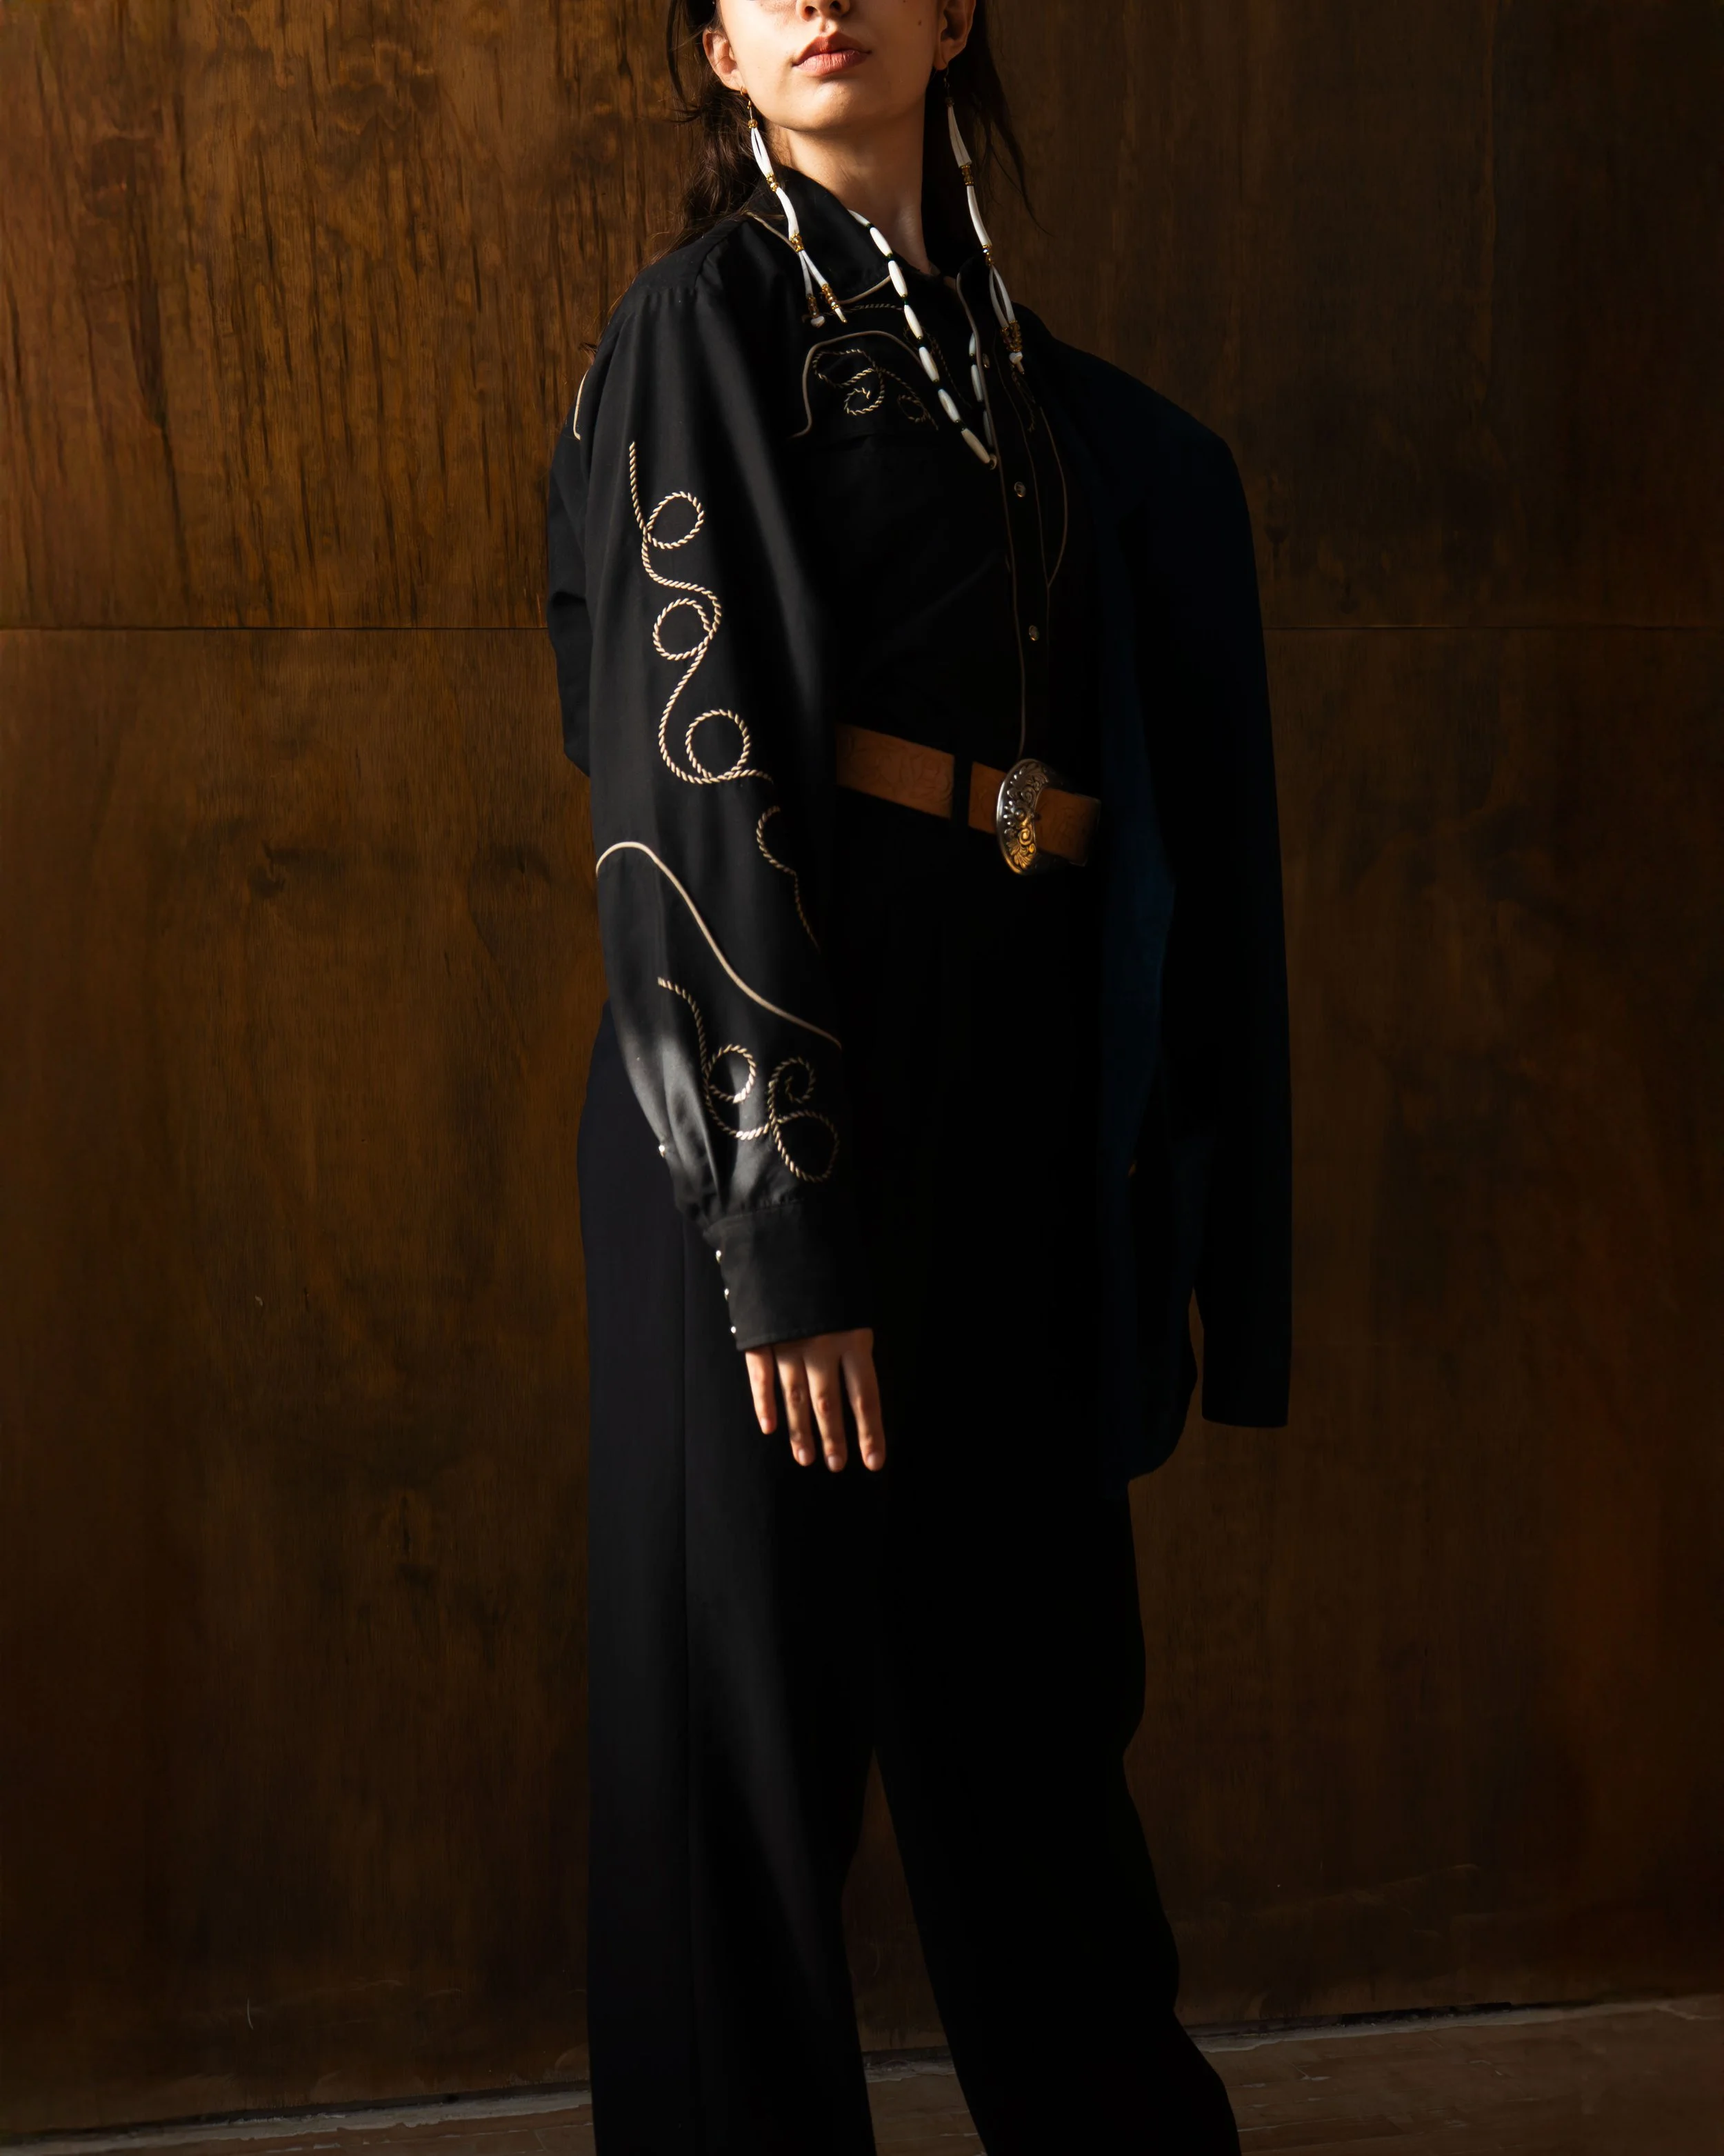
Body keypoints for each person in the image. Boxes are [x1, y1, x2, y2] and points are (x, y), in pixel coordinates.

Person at [544, 2, 1291, 2149]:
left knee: (1032, 1705)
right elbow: (677, 784)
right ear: (715, 51)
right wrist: (776, 1218)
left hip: (1010, 1079)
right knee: (744, 1761)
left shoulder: (1043, 397)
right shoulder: (705, 326)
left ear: (956, 13)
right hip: (773, 1095)